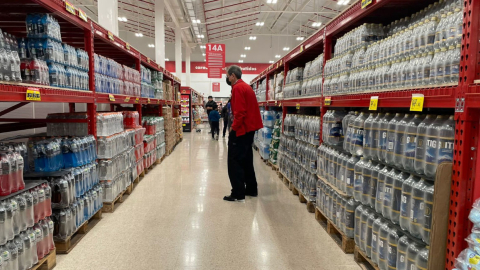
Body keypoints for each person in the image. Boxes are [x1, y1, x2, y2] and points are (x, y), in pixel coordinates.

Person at [224, 65, 263, 202]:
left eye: (227, 76)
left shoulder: (238, 88)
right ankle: (251, 189)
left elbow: (240, 113)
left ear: (233, 76)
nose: (227, 78)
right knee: (246, 160)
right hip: (249, 129)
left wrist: (233, 128)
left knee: (234, 161)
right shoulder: (246, 87)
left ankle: (237, 193)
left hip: (242, 129)